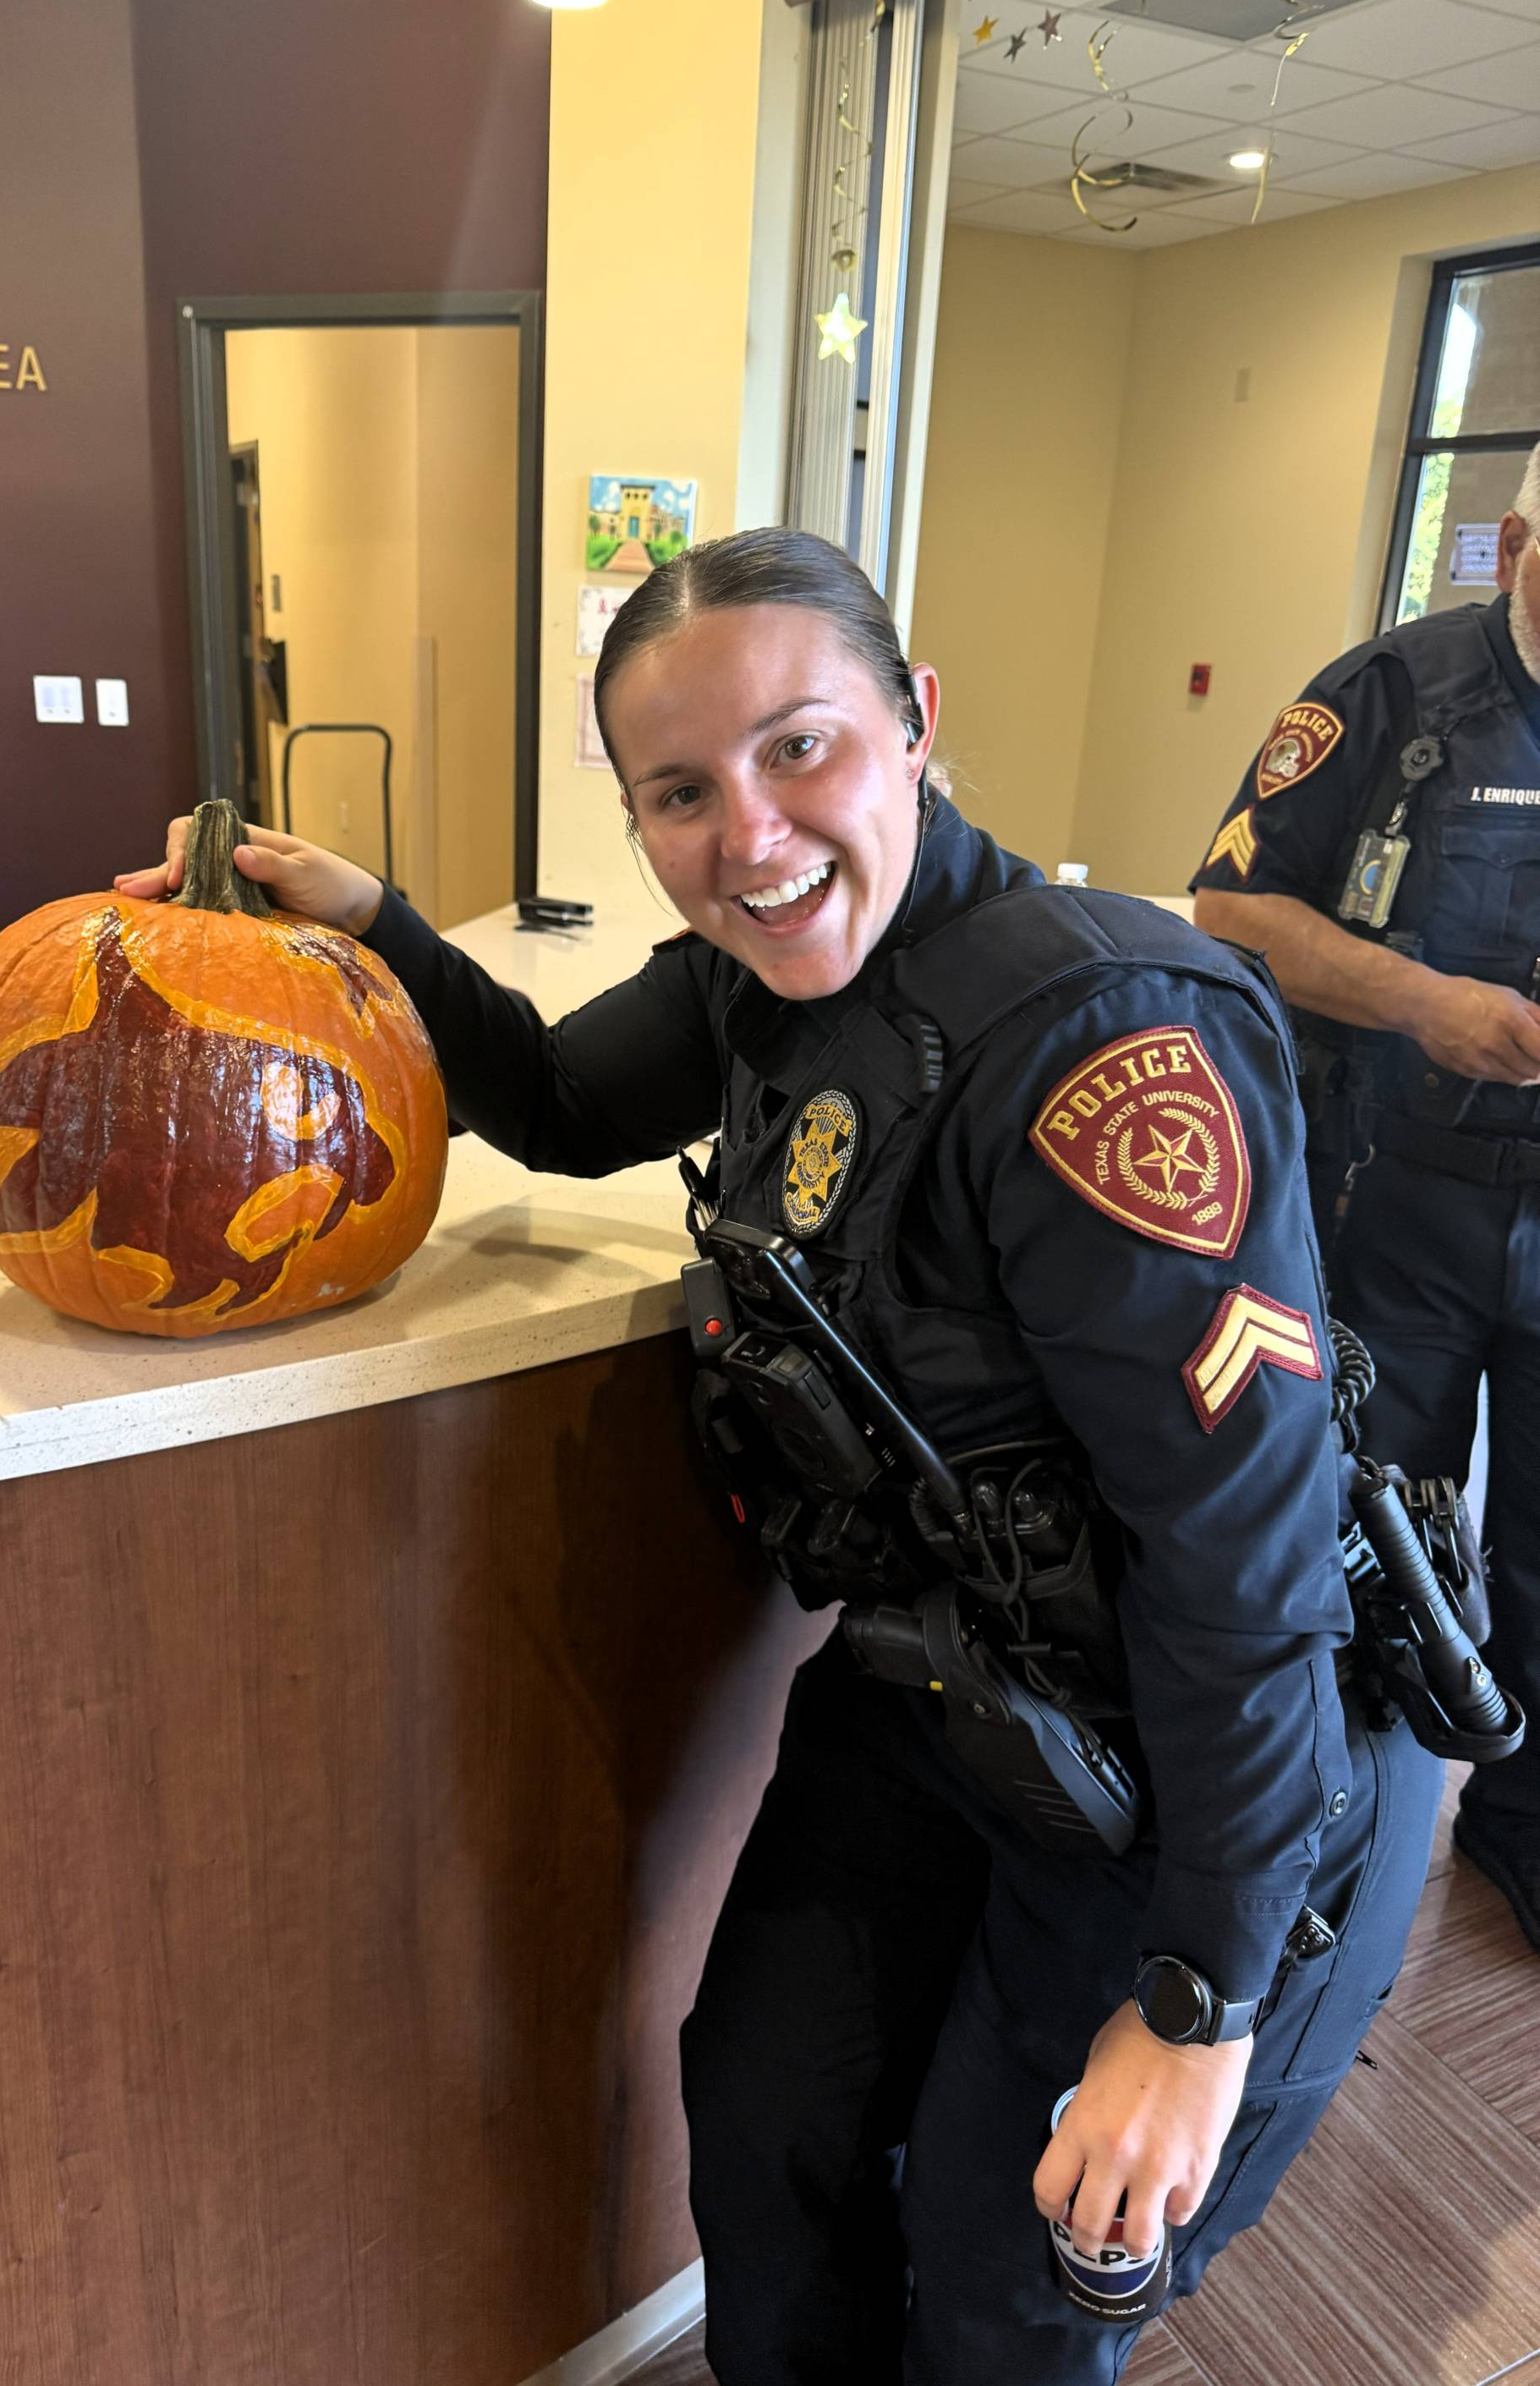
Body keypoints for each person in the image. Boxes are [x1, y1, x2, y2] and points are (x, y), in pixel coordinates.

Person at [118, 530, 1440, 2383]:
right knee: (763, 2128)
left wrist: (1195, 2006)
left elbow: (1248, 1563)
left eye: (799, 748)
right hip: (948, 1690)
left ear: (915, 724)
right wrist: (369, 923)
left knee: (1000, 2277)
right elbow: (564, 1104)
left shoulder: (1099, 1047)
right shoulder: (765, 974)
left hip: (1197, 1766)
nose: (747, 834)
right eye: (681, 790)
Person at [1192, 442, 1540, 1954]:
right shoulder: (1389, 693)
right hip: (1389, 1201)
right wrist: (1422, 1004)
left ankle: (1518, 1837)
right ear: (1518, 539)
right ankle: (1316, 1848)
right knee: (1364, 1534)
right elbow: (1229, 908)